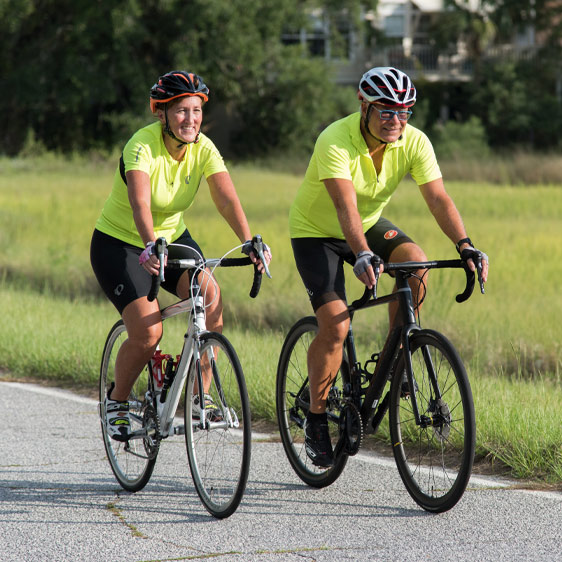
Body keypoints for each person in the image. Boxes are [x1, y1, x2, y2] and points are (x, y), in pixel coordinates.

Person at [289, 66, 488, 467]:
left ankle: (393, 361)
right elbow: (345, 206)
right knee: (337, 325)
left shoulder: (413, 141)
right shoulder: (335, 139)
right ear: (363, 106)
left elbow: (438, 199)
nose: (395, 121)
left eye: (404, 112)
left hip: (367, 224)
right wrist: (362, 253)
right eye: (385, 111)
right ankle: (315, 417)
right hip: (317, 232)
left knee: (415, 262)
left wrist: (465, 246)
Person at [91, 70, 271, 441]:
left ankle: (197, 398)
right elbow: (140, 203)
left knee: (210, 297)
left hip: (172, 238)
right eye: (181, 112)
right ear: (162, 114)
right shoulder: (141, 146)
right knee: (148, 330)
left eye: (196, 111)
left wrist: (249, 239)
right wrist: (148, 243)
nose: (190, 120)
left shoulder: (203, 147)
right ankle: (117, 401)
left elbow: (226, 198)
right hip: (122, 243)